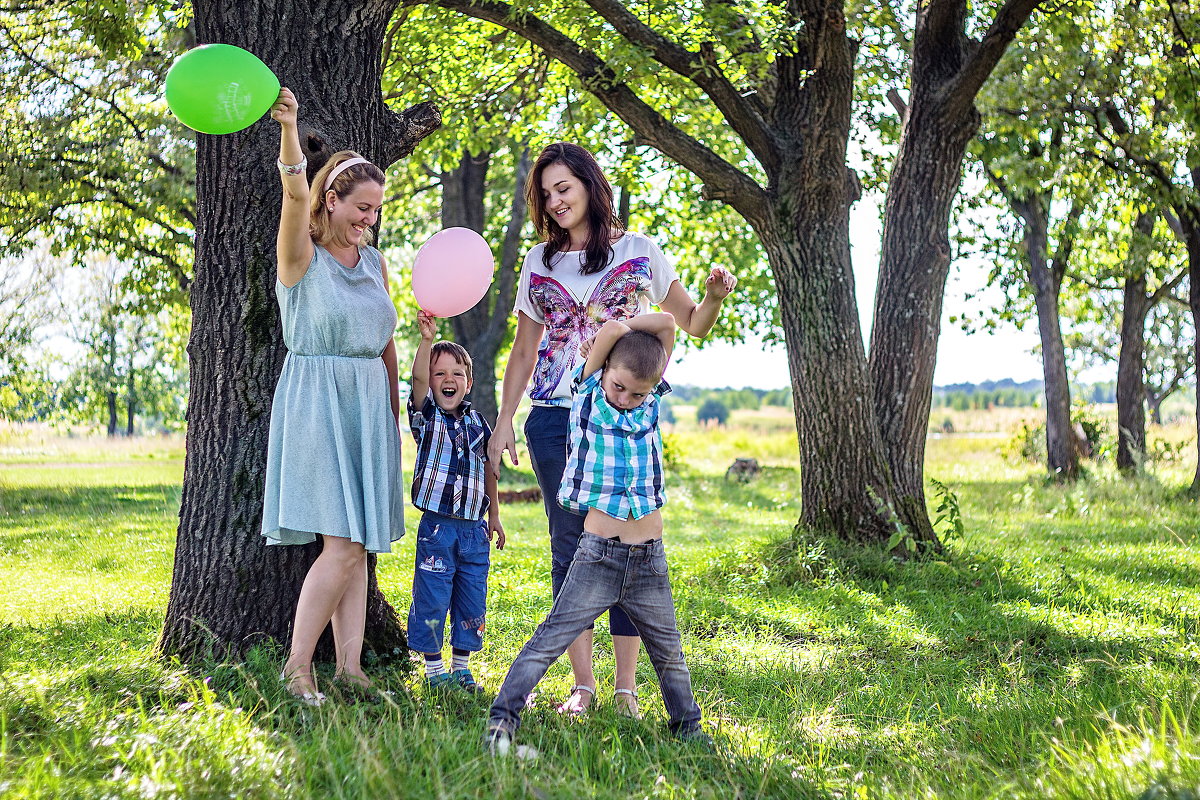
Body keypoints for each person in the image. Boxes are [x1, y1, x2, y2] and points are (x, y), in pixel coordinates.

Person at [488, 142, 736, 717]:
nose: (554, 202)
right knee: (569, 548)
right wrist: (505, 422)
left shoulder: (640, 250)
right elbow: (524, 350)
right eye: (545, 195)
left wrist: (715, 297)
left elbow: (692, 323)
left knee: (627, 545)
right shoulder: (538, 263)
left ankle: (625, 689)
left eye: (563, 189)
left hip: (621, 419)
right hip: (553, 415)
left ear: (589, 185)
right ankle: (584, 684)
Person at [486, 313, 708, 751]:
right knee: (551, 638)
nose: (625, 398)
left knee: (670, 654)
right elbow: (611, 334)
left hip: (649, 559)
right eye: (618, 386)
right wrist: (609, 339)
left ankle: (689, 727)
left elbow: (665, 324)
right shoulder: (589, 397)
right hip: (598, 558)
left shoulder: (650, 403)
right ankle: (502, 717)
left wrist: (632, 344)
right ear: (603, 373)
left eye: (636, 392)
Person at [262, 88, 405, 705]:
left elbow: (386, 339)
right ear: (333, 199)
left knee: (359, 545)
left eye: (376, 210)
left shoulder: (372, 263)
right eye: (361, 208)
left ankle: (352, 669)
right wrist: (290, 130)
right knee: (343, 546)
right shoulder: (301, 259)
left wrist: (395, 402)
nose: (368, 219)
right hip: (318, 400)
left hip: (369, 404)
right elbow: (295, 191)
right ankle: (298, 669)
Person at [406, 310, 505, 692]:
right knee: (432, 595)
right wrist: (427, 339)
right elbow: (415, 378)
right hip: (437, 528)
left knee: (471, 598)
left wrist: (494, 514)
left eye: (457, 374)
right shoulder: (427, 418)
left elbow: (489, 469)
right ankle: (433, 671)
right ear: (430, 384)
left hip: (474, 532)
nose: (448, 380)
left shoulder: (479, 423)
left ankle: (462, 667)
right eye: (439, 374)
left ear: (469, 382)